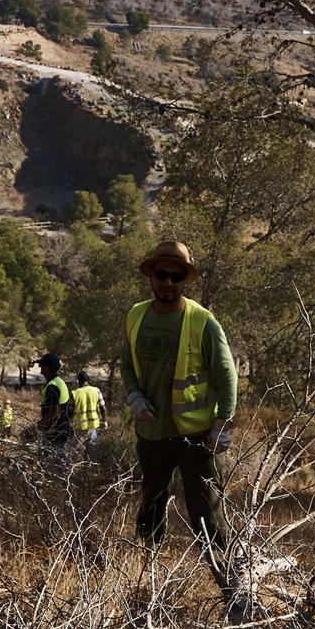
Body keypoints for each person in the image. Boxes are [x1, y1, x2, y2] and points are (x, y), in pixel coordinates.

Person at [122, 240, 239, 591]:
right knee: (151, 502)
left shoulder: (204, 323)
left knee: (208, 509)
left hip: (196, 437)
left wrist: (223, 423)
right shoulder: (136, 315)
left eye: (176, 276)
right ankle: (147, 579)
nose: (168, 282)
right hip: (152, 434)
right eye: (162, 275)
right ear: (151, 277)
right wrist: (133, 395)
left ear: (185, 280)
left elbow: (226, 375)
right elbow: (127, 363)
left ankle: (229, 582)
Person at [35, 353, 72, 453]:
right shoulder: (58, 382)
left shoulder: (52, 386)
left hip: (56, 434)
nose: (39, 367)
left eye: (41, 365)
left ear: (47, 367)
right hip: (59, 431)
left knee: (53, 464)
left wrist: (35, 428)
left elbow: (53, 413)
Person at [71, 370, 107, 445]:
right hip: (93, 426)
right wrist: (104, 421)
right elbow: (103, 408)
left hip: (79, 427)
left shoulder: (74, 393)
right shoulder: (96, 391)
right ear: (88, 380)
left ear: (78, 381)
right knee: (92, 451)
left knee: (78, 450)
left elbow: (69, 411)